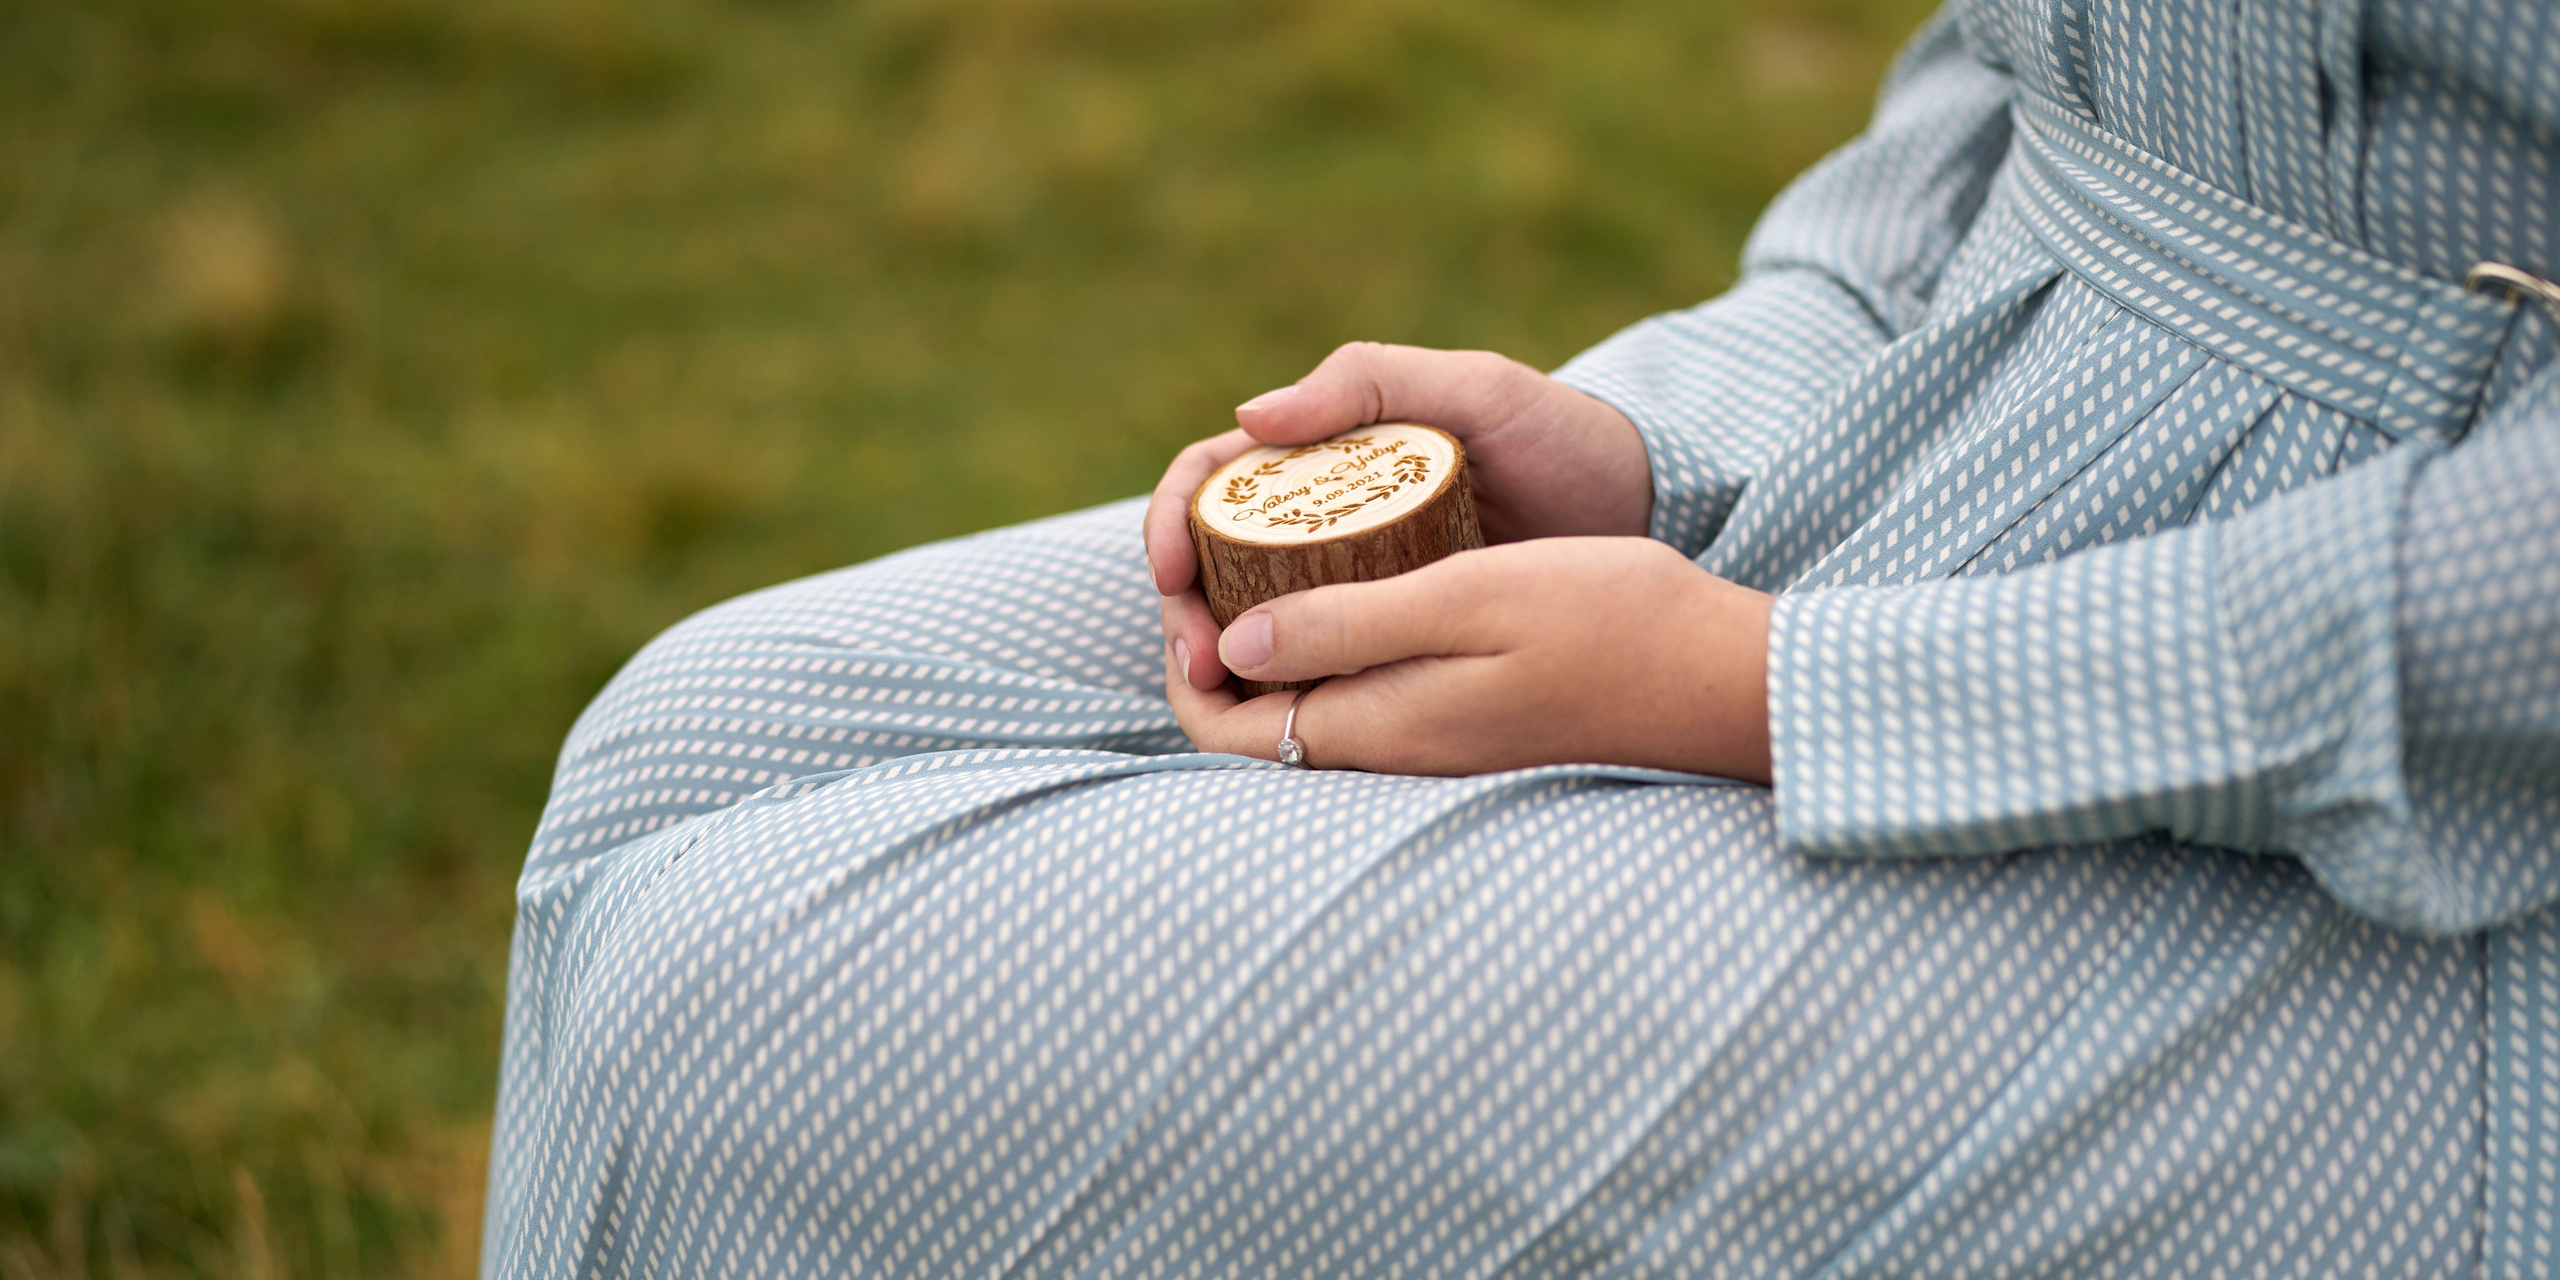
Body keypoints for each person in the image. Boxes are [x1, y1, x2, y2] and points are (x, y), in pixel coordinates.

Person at [478, 0, 2560, 1274]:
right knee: (689, 735)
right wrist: (1666, 455)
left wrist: (1749, 684)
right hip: (1937, 469)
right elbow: (1998, 110)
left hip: (2418, 818)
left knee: (730, 1001)